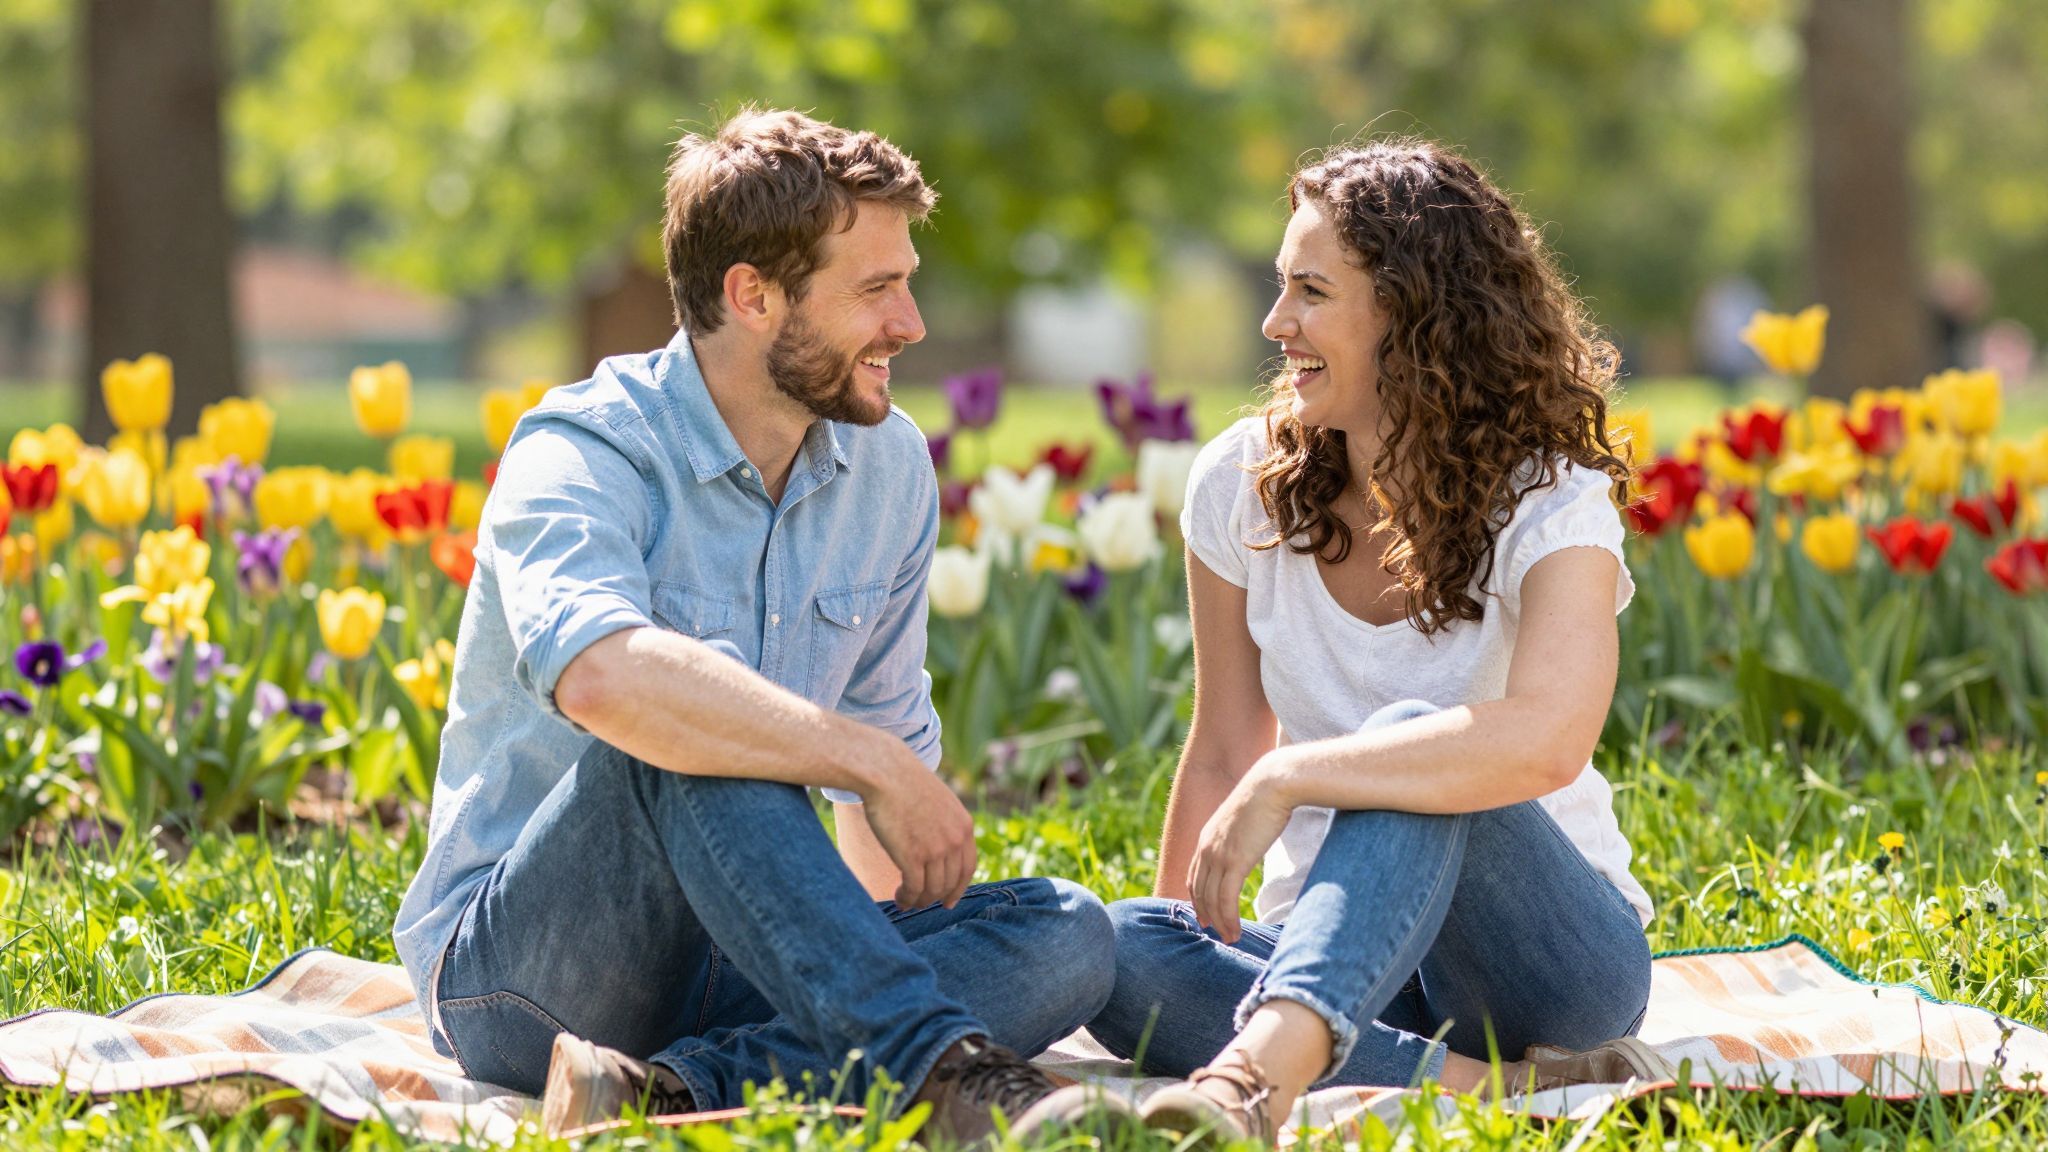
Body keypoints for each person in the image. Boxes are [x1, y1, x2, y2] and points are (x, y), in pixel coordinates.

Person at [390, 108, 1132, 1142]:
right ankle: (940, 1068)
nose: (910, 324)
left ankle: (677, 1093)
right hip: (531, 980)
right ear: (751, 295)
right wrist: (856, 759)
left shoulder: (886, 468)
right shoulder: (580, 451)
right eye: (876, 289)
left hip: (754, 953)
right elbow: (607, 680)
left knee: (1067, 935)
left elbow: (885, 821)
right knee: (688, 722)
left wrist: (884, 912)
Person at [1086, 138, 1668, 1143]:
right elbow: (1223, 745)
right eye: (1279, 289)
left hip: (1543, 968)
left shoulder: (1547, 496)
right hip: (1353, 959)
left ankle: (1252, 1082)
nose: (1276, 325)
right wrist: (1187, 932)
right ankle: (1466, 1085)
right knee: (1115, 943)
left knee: (1413, 743)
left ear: (1413, 314)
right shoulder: (1238, 482)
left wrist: (1300, 773)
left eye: (1309, 292)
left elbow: (1543, 741)